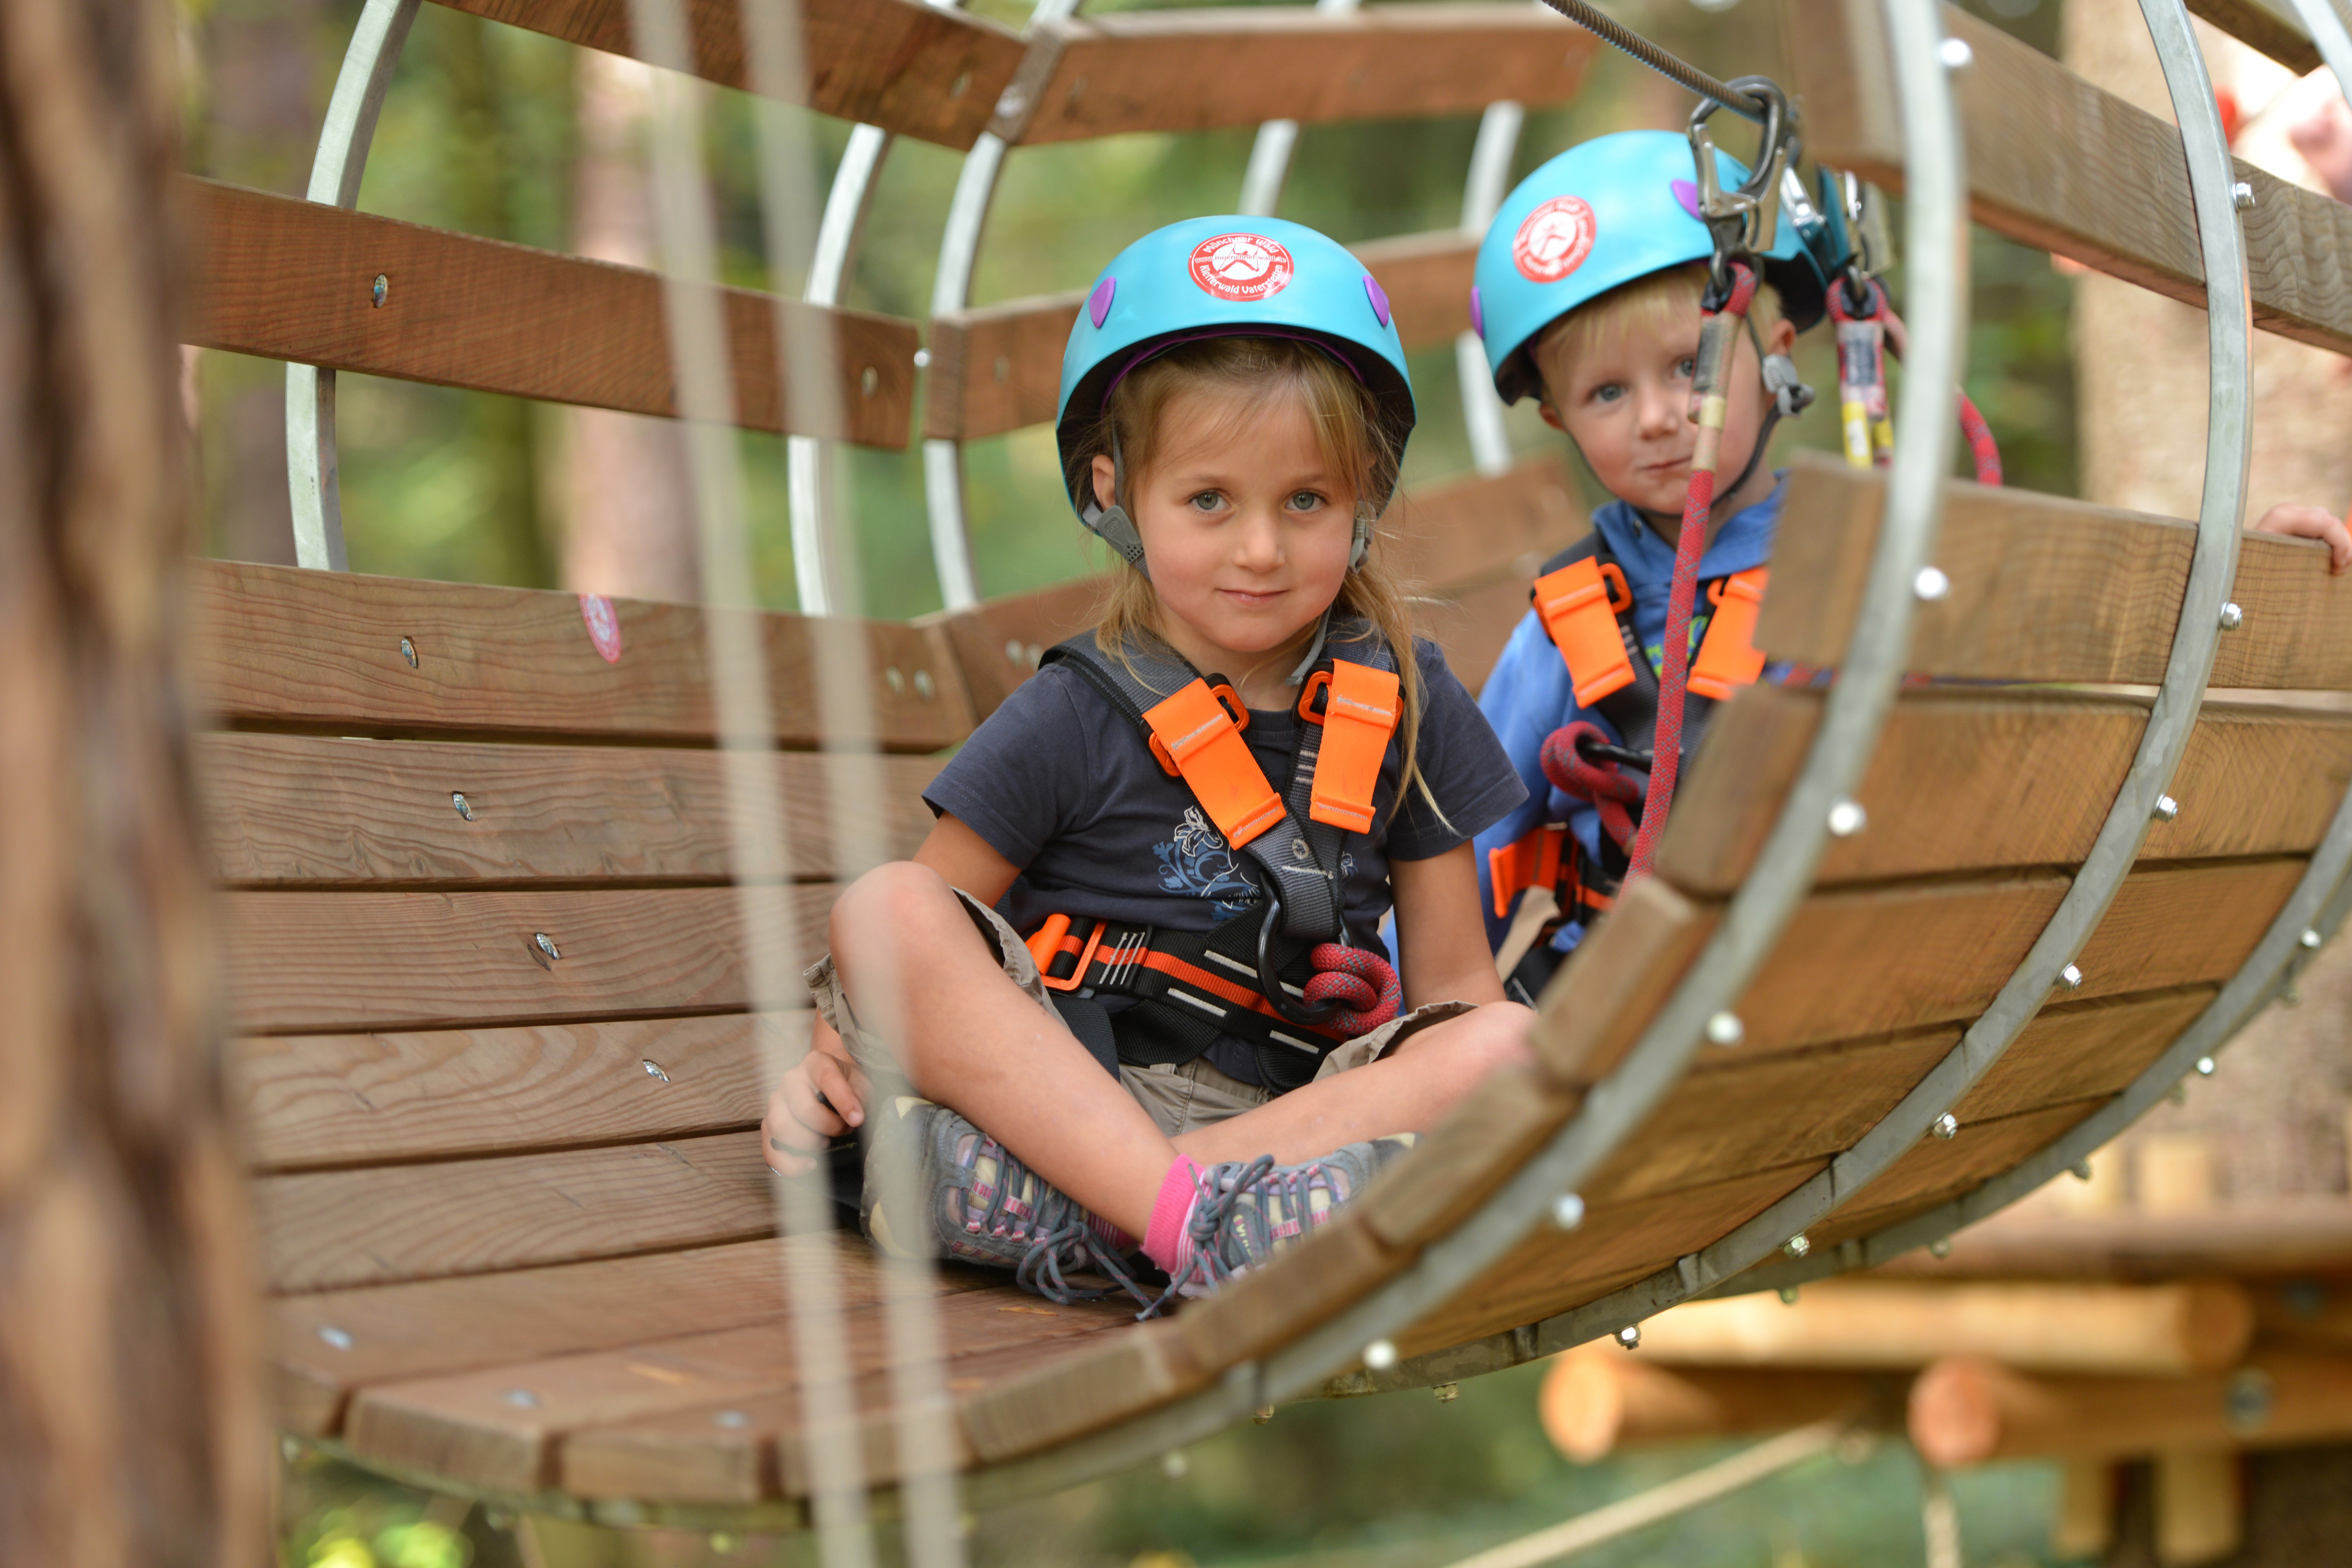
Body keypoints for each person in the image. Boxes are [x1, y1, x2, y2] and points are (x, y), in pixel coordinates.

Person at [761, 216, 1532, 1311]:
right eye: (1209, 501)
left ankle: (1089, 1217)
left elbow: (1458, 990)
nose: (1260, 549)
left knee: (1509, 1048)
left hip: (1296, 1112)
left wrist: (1426, 1048)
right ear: (1115, 493)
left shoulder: (1412, 705)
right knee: (886, 911)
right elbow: (910, 948)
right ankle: (1194, 1226)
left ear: (1364, 501)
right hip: (1063, 1094)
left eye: (1305, 501)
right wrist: (825, 1060)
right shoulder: (1075, 712)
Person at [1469, 131, 2352, 1006]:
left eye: (1687, 366)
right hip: (1630, 1004)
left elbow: (2079, 643)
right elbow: (1468, 843)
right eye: (1608, 393)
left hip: (1839, 979)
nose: (1660, 418)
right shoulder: (1572, 622)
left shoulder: (1871, 556)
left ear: (1776, 354)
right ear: (1560, 421)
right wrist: (1412, 1021)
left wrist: (2239, 582)